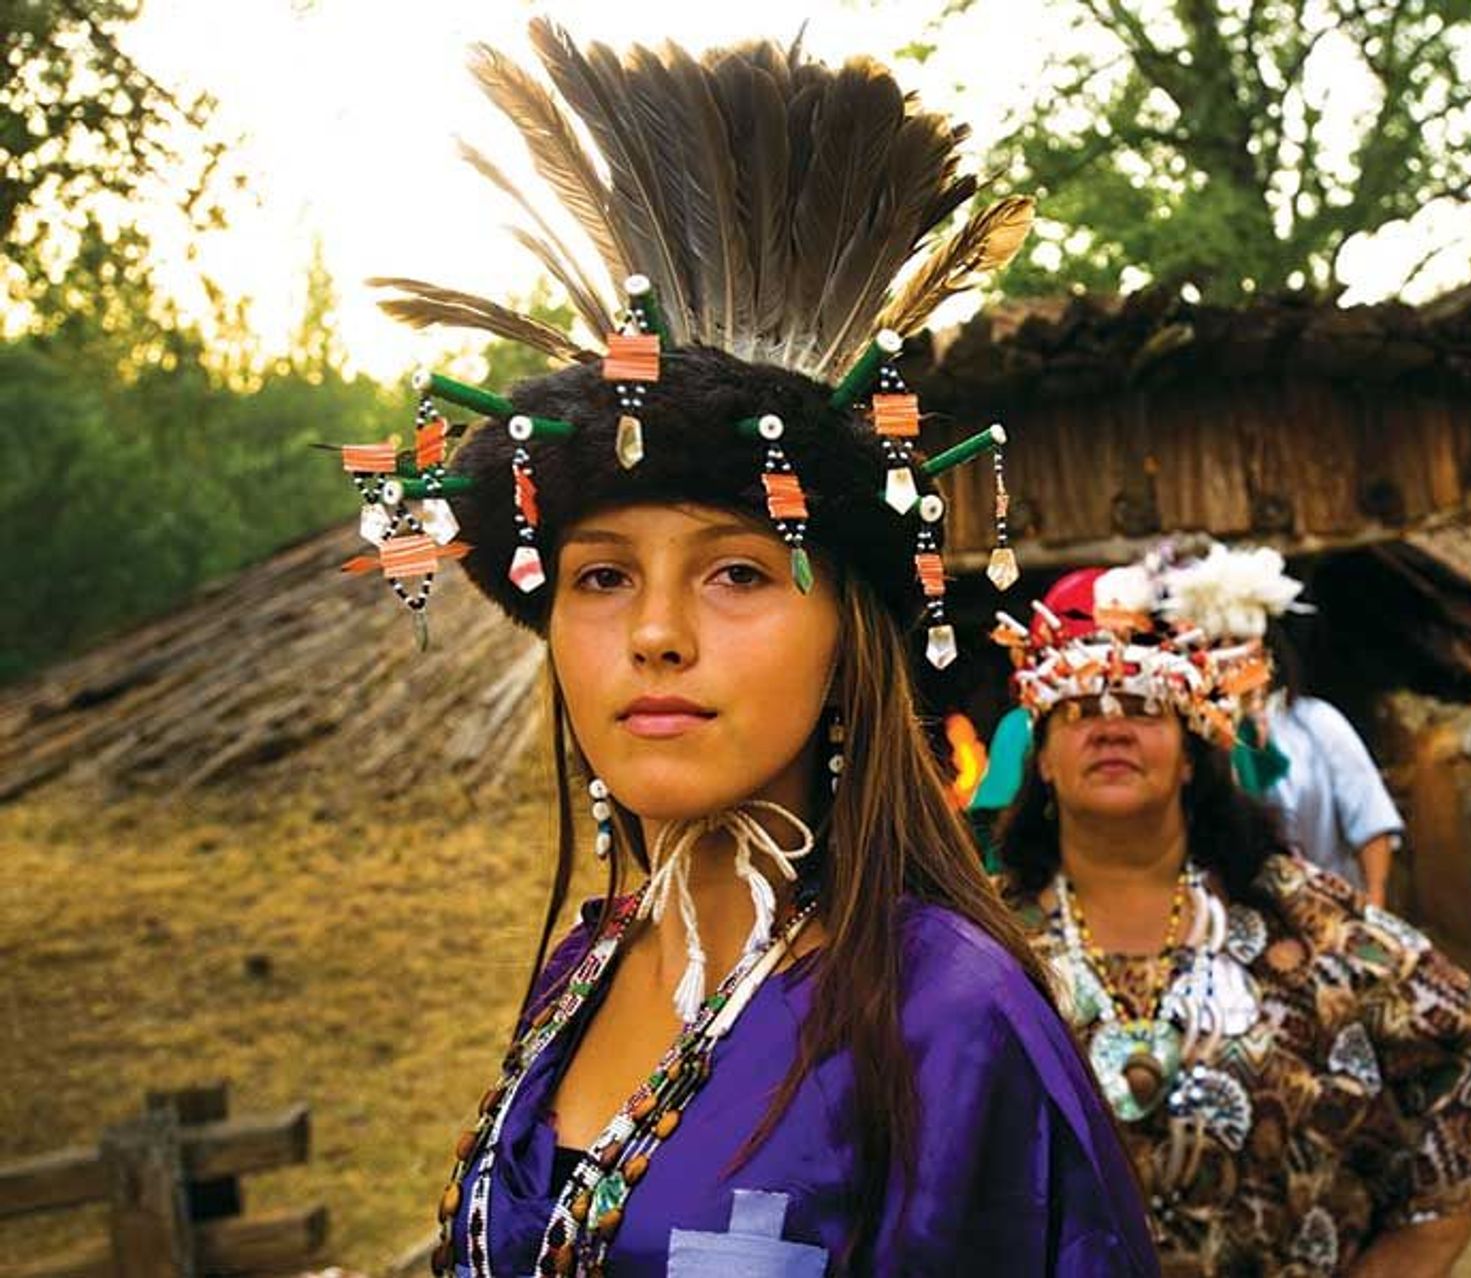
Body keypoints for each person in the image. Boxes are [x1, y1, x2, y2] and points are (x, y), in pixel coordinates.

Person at [331, 23, 1155, 1276]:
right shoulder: (587, 963)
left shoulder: (951, 1021)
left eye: (736, 573)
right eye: (604, 578)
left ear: (850, 643)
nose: (657, 636)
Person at [993, 545, 1471, 1277]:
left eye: (1143, 707)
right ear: (1040, 757)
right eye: (1079, 712)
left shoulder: (1306, 920)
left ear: (1194, 752)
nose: (1111, 727)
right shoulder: (986, 941)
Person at [1262, 638, 1405, 907]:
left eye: (1239, 642)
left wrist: (1374, 906)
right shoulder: (1202, 740)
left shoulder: (1317, 721)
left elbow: (1370, 817)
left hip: (1332, 906)